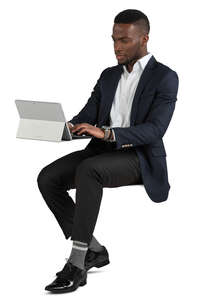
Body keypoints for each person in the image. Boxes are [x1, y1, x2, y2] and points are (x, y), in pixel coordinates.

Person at [37, 9, 179, 293]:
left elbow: (155, 129)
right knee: (48, 178)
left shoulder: (165, 77)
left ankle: (77, 264)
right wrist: (66, 128)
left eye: (124, 40)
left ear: (144, 38)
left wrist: (108, 133)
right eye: (114, 39)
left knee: (89, 170)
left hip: (139, 156)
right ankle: (94, 250)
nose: (117, 46)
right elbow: (87, 117)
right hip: (102, 150)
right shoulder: (108, 75)